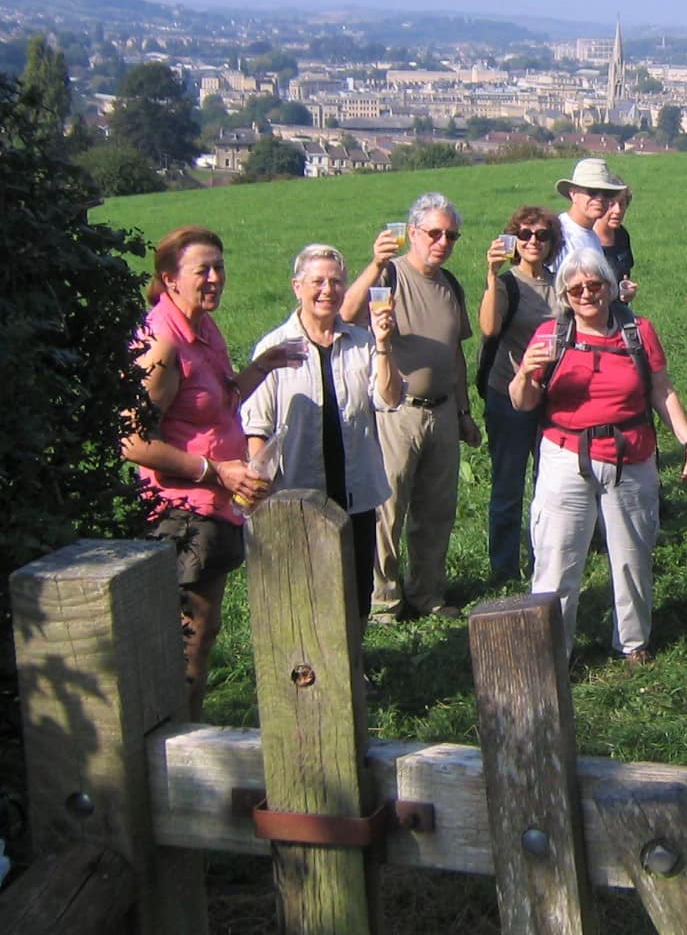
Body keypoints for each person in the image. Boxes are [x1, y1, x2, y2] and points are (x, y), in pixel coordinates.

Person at [120, 226, 300, 717]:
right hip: (181, 513)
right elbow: (133, 442)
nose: (216, 278)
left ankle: (185, 729)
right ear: (170, 279)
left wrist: (262, 367)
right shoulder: (164, 344)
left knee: (204, 630)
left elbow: (212, 403)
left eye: (220, 267)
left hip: (212, 508)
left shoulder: (202, 328)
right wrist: (216, 471)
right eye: (204, 270)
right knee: (189, 638)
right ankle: (176, 740)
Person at [509, 249, 687, 663]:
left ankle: (632, 643)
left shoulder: (638, 331)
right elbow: (523, 402)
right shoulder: (550, 335)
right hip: (565, 456)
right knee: (557, 559)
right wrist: (525, 373)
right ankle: (551, 652)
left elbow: (661, 389)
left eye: (594, 285)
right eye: (575, 288)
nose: (586, 294)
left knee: (632, 556)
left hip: (631, 455)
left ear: (609, 288)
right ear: (564, 294)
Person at [242, 244, 402, 624]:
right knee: (308, 590)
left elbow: (389, 398)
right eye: (317, 282)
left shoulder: (362, 344)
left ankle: (355, 671)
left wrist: (383, 345)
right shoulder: (273, 348)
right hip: (298, 493)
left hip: (356, 491)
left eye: (335, 282)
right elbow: (256, 425)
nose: (327, 290)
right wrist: (259, 490)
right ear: (297, 286)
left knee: (357, 593)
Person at [342, 192, 480, 622]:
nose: (442, 242)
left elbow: (455, 351)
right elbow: (346, 315)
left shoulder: (450, 285)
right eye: (434, 233)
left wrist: (463, 410)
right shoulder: (390, 277)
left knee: (437, 510)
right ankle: (383, 602)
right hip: (396, 413)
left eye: (451, 236)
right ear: (413, 233)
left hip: (441, 411)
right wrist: (375, 264)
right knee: (389, 509)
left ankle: (428, 595)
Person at [478, 206, 562, 584]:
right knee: (509, 485)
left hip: (553, 398)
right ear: (513, 240)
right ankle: (504, 569)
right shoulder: (508, 283)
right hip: (507, 396)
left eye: (541, 235)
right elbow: (490, 327)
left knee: (550, 487)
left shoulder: (561, 283)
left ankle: (544, 562)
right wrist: (492, 275)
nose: (533, 242)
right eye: (525, 235)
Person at [553, 157, 625, 276]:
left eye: (606, 193)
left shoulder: (593, 236)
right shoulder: (558, 235)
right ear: (573, 194)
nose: (600, 198)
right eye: (592, 191)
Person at [596, 184, 639, 303]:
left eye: (622, 204)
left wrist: (627, 292)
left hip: (619, 312)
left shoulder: (622, 235)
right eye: (611, 204)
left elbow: (624, 275)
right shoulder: (588, 240)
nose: (618, 210)